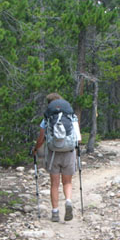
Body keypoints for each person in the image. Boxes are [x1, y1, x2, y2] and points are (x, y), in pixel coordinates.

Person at [33, 93, 81, 222]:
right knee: (67, 182)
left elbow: (41, 138)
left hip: (53, 153)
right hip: (69, 152)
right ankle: (68, 201)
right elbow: (79, 138)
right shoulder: (71, 116)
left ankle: (55, 212)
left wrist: (36, 149)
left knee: (54, 184)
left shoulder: (47, 118)